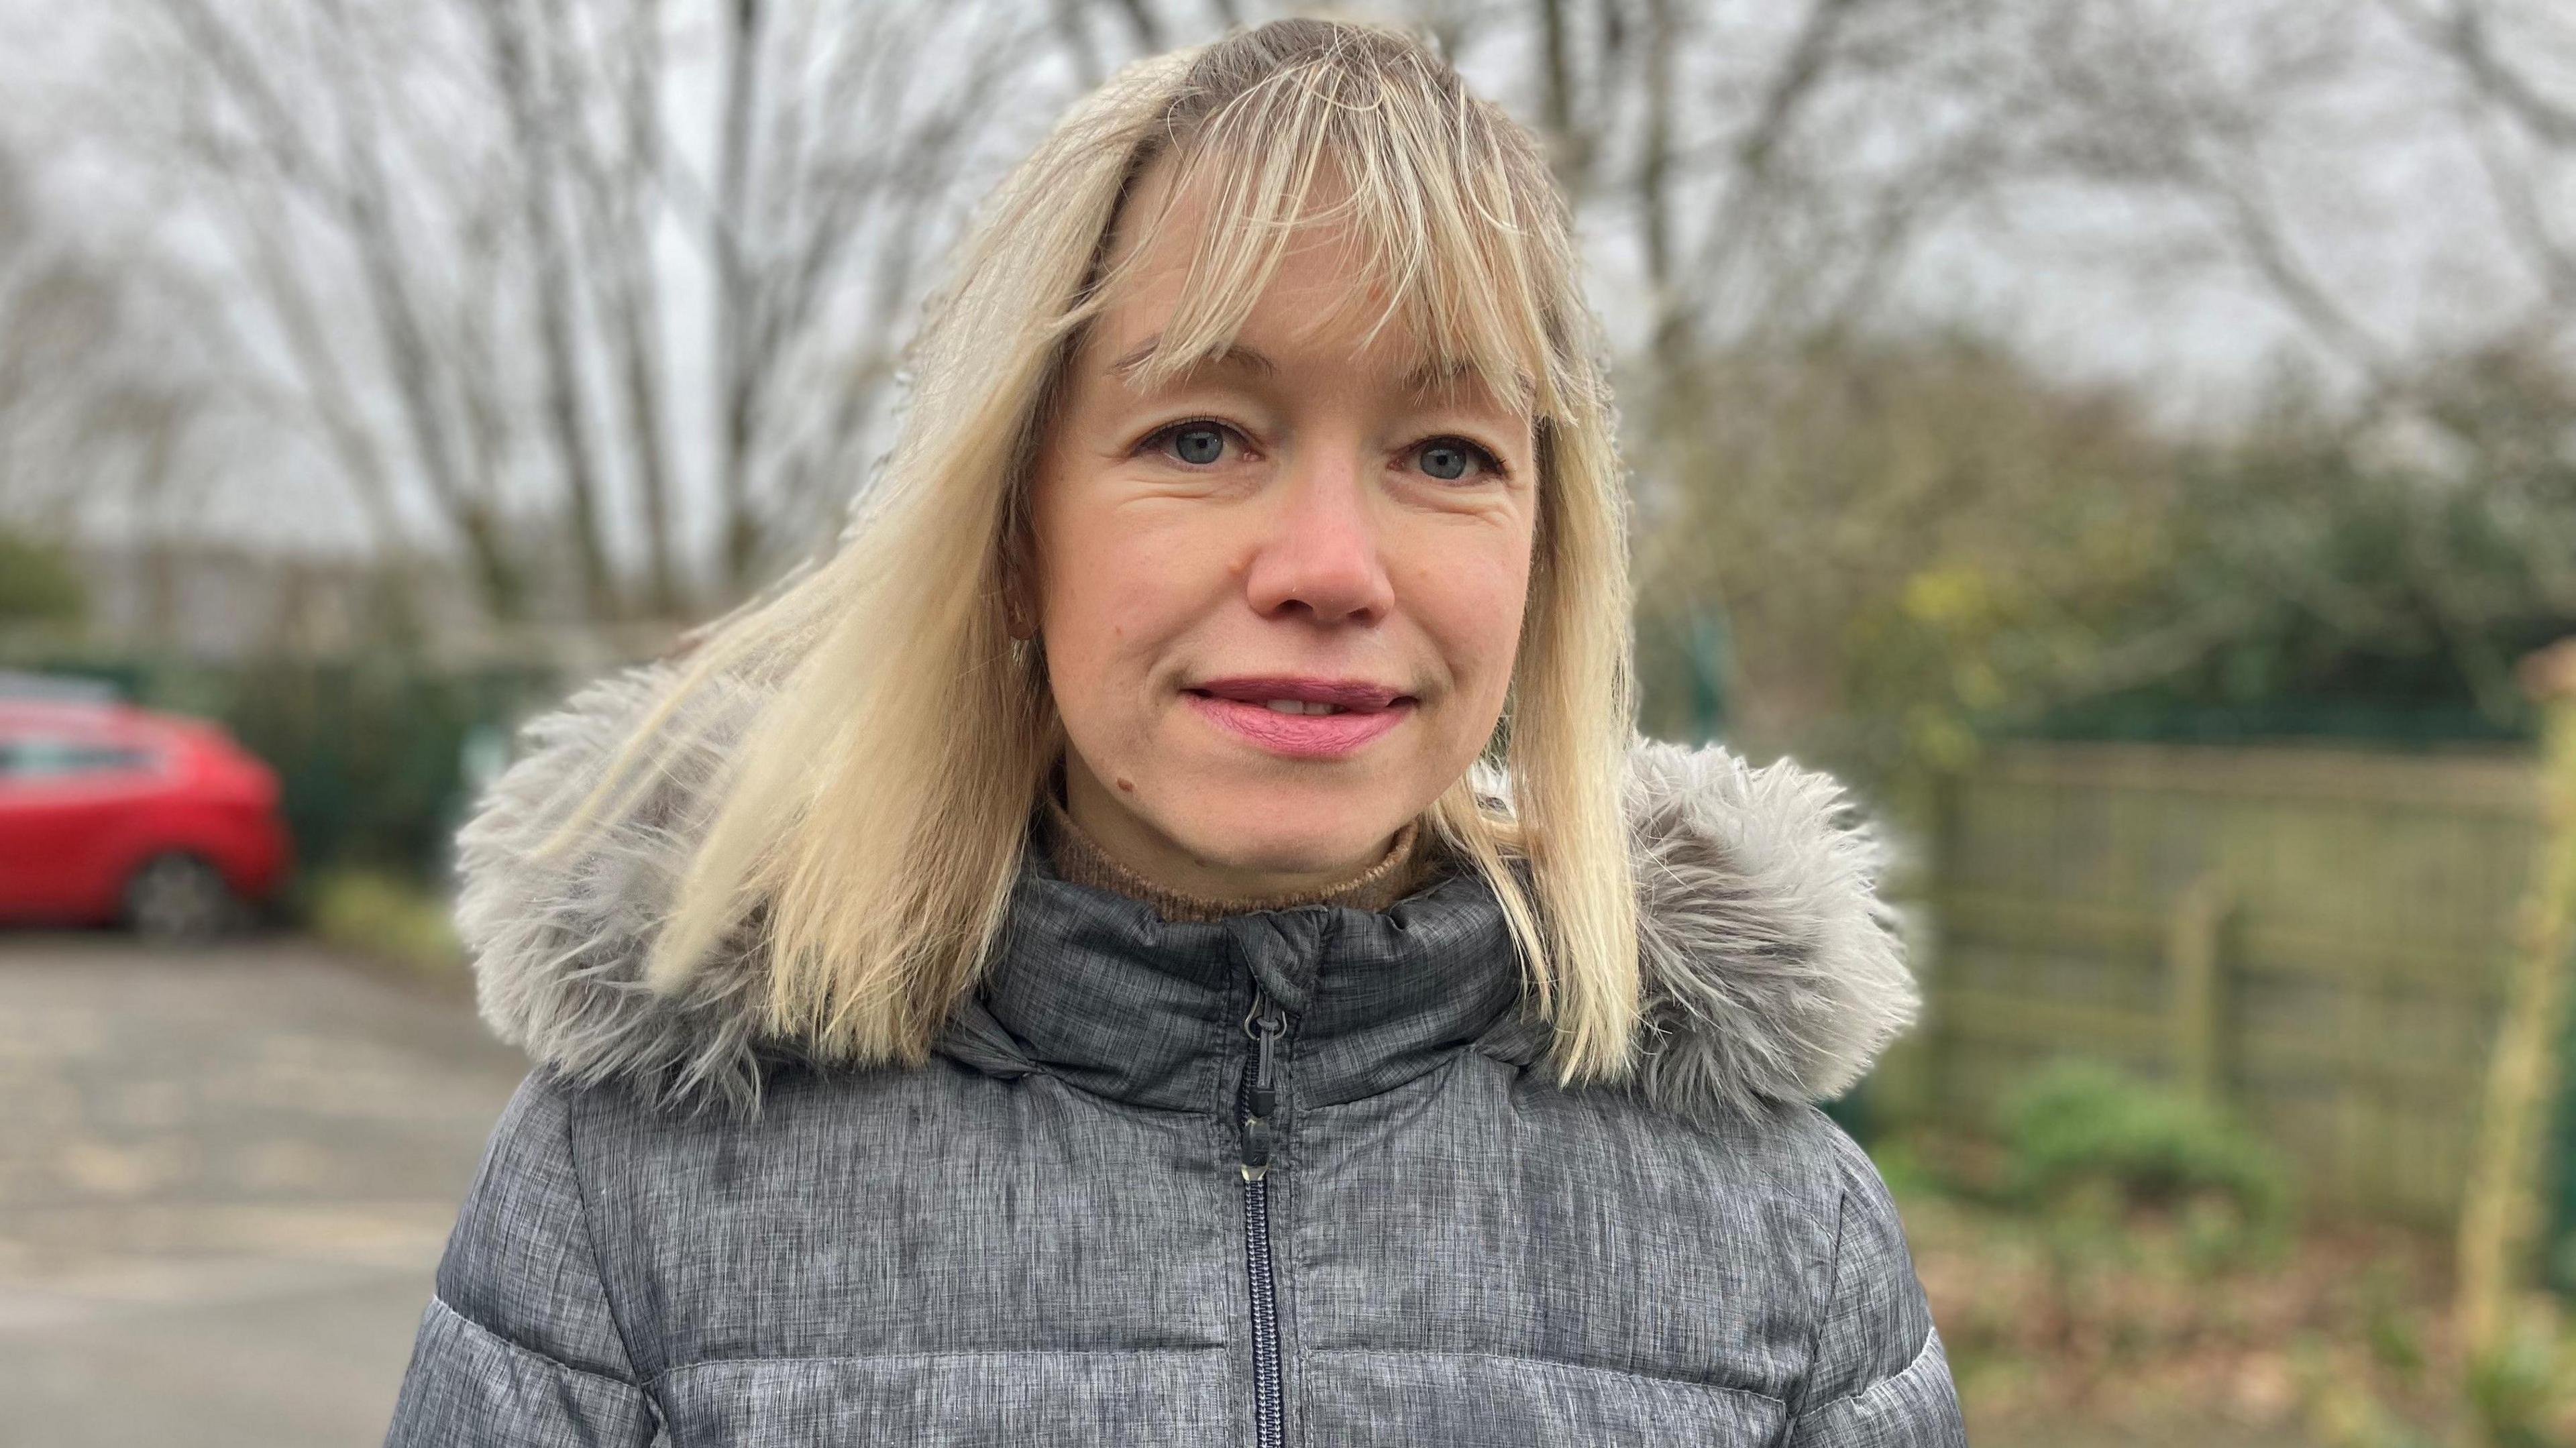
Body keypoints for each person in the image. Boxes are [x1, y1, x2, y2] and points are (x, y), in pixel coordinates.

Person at [382, 17, 1966, 1447]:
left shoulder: (1775, 1223)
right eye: (1201, 436)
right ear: (1011, 533)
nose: (1332, 569)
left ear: (1546, 563)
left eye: (1446, 453)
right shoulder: (637, 1186)